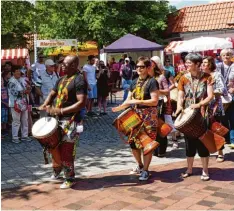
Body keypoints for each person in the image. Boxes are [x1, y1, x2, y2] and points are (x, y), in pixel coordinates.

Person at [39, 55, 87, 189]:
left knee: (67, 150)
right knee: (54, 146)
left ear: (73, 65)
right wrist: (45, 104)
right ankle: (57, 171)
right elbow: (52, 93)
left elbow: (81, 102)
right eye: (62, 64)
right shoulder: (61, 79)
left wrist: (60, 111)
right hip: (58, 120)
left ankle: (70, 177)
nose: (62, 66)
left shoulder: (79, 80)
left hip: (71, 121)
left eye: (65, 64)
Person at [112, 56, 159, 181]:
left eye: (142, 67)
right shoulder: (134, 81)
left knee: (147, 143)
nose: (139, 69)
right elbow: (129, 99)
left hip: (149, 116)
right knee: (133, 142)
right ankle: (140, 165)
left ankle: (146, 170)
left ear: (148, 68)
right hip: (136, 115)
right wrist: (120, 107)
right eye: (137, 66)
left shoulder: (152, 81)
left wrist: (137, 101)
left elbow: (154, 101)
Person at [175, 53, 213, 181]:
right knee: (189, 143)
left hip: (202, 114)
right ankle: (189, 169)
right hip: (188, 113)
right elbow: (180, 94)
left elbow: (210, 96)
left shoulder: (207, 77)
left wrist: (199, 104)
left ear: (197, 64)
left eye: (189, 63)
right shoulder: (183, 78)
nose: (186, 65)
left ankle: (205, 170)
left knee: (203, 142)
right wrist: (179, 106)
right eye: (186, 62)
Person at [150, 56, 178, 156]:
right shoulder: (148, 77)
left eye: (152, 63)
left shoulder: (164, 74)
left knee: (164, 124)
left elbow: (171, 87)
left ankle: (168, 144)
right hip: (151, 105)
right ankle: (155, 149)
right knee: (153, 128)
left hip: (162, 103)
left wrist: (157, 92)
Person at [202, 56, 226, 162]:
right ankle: (208, 149)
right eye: (202, 62)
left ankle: (220, 152)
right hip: (204, 106)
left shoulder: (216, 75)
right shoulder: (201, 76)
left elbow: (222, 89)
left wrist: (210, 93)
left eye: (205, 62)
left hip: (215, 106)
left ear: (211, 64)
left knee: (216, 129)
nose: (203, 64)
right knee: (205, 129)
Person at [216, 49, 234, 149]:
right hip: (221, 95)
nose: (226, 56)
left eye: (228, 54)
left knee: (232, 117)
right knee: (223, 118)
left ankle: (233, 140)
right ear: (221, 56)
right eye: (224, 55)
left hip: (232, 94)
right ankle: (225, 138)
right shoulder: (218, 66)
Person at [8, 65, 31, 143]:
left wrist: (28, 88)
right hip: (15, 104)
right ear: (13, 72)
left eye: (19, 71)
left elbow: (27, 88)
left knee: (25, 120)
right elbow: (14, 93)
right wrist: (25, 91)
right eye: (17, 71)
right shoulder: (11, 81)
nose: (18, 73)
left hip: (23, 103)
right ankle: (15, 137)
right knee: (16, 121)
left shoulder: (22, 79)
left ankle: (24, 136)